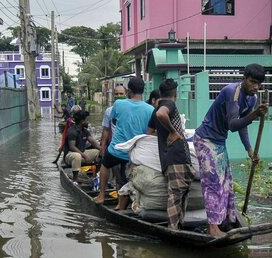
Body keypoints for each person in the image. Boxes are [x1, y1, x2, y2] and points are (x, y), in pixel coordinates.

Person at [192, 64, 267, 238]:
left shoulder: (251, 99)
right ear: (244, 79)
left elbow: (243, 126)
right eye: (252, 82)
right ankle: (212, 228)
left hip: (219, 141)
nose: (255, 87)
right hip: (205, 139)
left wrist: (249, 150)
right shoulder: (231, 92)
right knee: (213, 183)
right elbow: (233, 125)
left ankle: (224, 221)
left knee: (226, 182)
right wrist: (255, 115)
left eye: (258, 84)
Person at [95, 77, 154, 208]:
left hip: (117, 149)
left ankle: (101, 195)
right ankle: (122, 207)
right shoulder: (150, 109)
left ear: (129, 91)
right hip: (134, 152)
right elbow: (149, 132)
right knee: (125, 178)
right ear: (143, 91)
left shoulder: (119, 104)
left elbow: (114, 121)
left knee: (105, 165)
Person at [146, 79, 194, 230]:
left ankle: (178, 225)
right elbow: (162, 114)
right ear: (175, 94)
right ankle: (173, 229)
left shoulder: (156, 109)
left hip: (168, 157)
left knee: (181, 191)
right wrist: (173, 132)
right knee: (176, 193)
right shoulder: (169, 105)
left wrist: (164, 135)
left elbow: (149, 133)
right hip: (177, 156)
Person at [64, 110, 100, 180]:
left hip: (82, 153)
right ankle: (75, 179)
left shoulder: (85, 131)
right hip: (70, 155)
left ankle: (96, 176)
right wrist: (84, 156)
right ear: (82, 121)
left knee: (99, 152)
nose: (88, 122)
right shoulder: (72, 131)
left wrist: (102, 149)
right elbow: (72, 147)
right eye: (87, 120)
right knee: (77, 156)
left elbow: (92, 142)